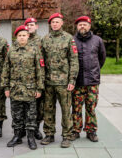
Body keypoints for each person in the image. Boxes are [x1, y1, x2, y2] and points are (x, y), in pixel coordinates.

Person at [1, 25, 45, 150]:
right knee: (16, 115)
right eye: (19, 35)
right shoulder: (11, 50)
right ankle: (17, 136)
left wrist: (39, 89)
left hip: (30, 89)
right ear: (16, 37)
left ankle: (30, 138)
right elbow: (6, 69)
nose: (22, 37)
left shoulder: (34, 50)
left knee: (31, 115)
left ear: (28, 36)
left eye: (24, 35)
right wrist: (6, 87)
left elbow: (39, 70)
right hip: (15, 89)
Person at [41, 13, 79, 148]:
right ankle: (49, 134)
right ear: (50, 24)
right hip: (48, 82)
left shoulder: (69, 39)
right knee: (48, 109)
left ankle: (67, 136)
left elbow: (74, 60)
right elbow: (41, 61)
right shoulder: (45, 39)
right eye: (53, 22)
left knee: (65, 110)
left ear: (62, 23)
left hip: (63, 82)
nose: (55, 24)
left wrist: (72, 80)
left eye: (57, 22)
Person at [70, 16, 106, 142]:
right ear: (77, 27)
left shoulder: (97, 40)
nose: (82, 27)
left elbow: (102, 58)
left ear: (89, 26)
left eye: (85, 24)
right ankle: (75, 130)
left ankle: (91, 131)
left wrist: (95, 71)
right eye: (80, 25)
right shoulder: (72, 40)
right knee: (76, 107)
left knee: (91, 107)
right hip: (77, 81)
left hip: (92, 82)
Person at [24, 17, 44, 140]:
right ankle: (22, 129)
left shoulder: (42, 41)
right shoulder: (22, 39)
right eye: (28, 25)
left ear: (36, 26)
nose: (30, 27)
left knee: (38, 107)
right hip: (24, 81)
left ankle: (35, 128)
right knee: (24, 107)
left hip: (38, 78)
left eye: (32, 25)